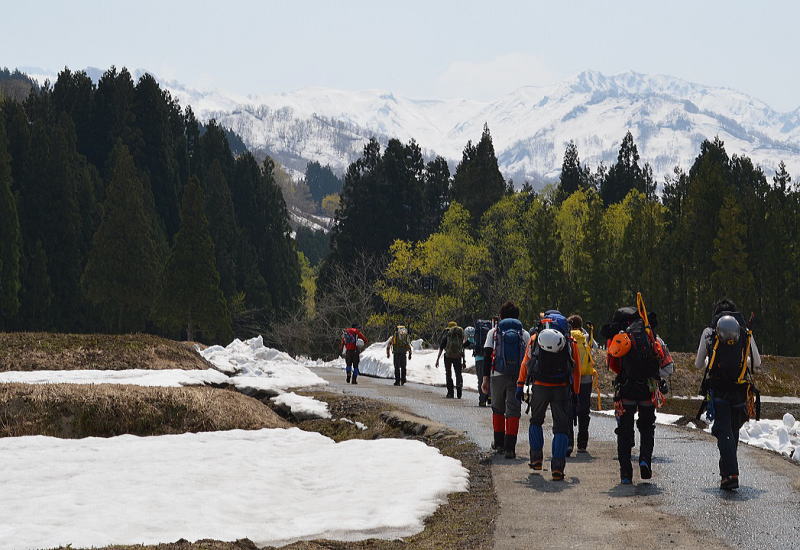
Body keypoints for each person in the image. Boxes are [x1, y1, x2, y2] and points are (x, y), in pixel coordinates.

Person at [695, 298, 761, 491]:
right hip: (740, 390)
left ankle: (731, 474)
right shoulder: (745, 332)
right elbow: (757, 362)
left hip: (718, 389)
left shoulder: (709, 332)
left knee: (723, 431)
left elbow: (699, 364)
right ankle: (727, 475)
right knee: (732, 432)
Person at [602, 304, 673, 485]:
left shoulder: (619, 338)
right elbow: (666, 366)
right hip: (648, 390)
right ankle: (644, 461)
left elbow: (613, 364)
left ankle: (626, 474)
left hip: (626, 390)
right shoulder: (651, 336)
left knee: (624, 431)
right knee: (647, 428)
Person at [516, 309, 581, 481]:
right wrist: (576, 392)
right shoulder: (569, 341)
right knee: (561, 427)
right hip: (561, 388)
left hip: (539, 386)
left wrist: (520, 384)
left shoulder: (534, 338)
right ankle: (558, 468)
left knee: (536, 421)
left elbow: (525, 363)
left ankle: (536, 459)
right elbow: (576, 370)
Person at [481, 302, 530, 459]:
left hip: (497, 375)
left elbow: (487, 356)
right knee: (513, 410)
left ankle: (499, 443)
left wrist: (485, 379)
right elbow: (528, 359)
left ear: (501, 316)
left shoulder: (494, 333)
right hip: (517, 376)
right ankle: (510, 448)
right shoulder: (525, 334)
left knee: (498, 408)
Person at [568, 314, 597, 454]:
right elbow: (595, 347)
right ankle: (582, 444)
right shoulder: (584, 337)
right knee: (584, 411)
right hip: (585, 378)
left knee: (568, 409)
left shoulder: (567, 336)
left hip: (571, 379)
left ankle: (568, 443)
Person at [435, 321, 465, 398]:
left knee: (448, 374)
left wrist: (437, 359)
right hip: (458, 356)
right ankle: (459, 388)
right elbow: (462, 347)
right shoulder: (459, 335)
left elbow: (441, 348)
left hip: (448, 357)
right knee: (458, 373)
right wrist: (464, 360)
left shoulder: (447, 335)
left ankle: (450, 393)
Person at [472, 319, 495, 407]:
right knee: (490, 378)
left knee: (481, 380)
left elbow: (472, 342)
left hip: (479, 358)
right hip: (490, 357)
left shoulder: (477, 332)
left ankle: (482, 400)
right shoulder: (491, 332)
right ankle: (490, 399)